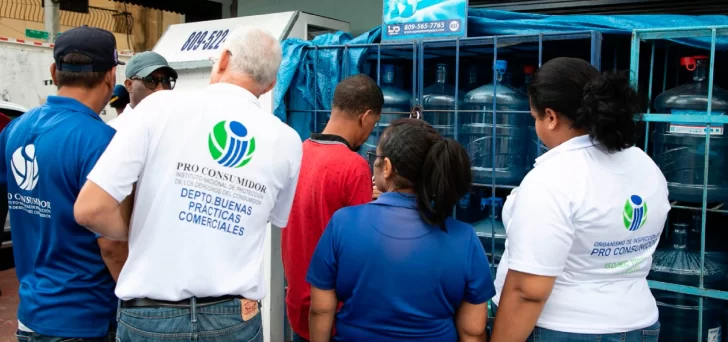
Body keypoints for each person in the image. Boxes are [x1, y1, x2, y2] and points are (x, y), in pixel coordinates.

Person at [74, 26, 301, 341]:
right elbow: (273, 219)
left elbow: (90, 209)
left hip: (150, 315)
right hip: (233, 318)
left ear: (222, 60)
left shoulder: (157, 108)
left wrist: (142, 230)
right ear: (272, 83)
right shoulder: (288, 141)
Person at [490, 57, 668, 342]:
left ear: (551, 116)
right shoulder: (644, 164)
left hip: (565, 329)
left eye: (535, 117)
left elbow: (528, 291)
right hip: (639, 324)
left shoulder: (552, 179)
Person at [306, 118, 495, 342]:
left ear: (387, 167)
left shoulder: (343, 223)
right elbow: (472, 331)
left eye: (374, 158)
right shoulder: (465, 238)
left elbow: (320, 310)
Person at [0, 26, 127, 340]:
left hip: (31, 317)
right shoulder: (102, 141)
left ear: (54, 71)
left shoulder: (15, 130)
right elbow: (111, 243)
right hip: (85, 320)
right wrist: (135, 299)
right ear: (111, 76)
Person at [282, 74, 383, 342]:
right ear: (366, 116)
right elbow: (361, 250)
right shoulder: (354, 166)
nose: (369, 132)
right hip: (334, 316)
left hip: (297, 304)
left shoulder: (299, 151)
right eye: (373, 125)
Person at [106, 51, 177, 130]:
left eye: (166, 81)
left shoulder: (178, 126)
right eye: (150, 80)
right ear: (129, 85)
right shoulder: (113, 133)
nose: (161, 89)